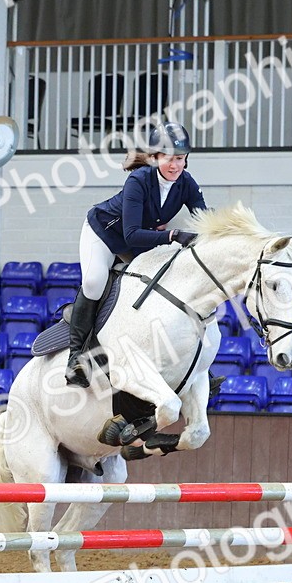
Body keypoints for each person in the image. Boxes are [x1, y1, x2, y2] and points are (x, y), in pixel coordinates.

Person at [65, 122, 208, 387]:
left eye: (180, 158)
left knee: (167, 280)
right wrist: (173, 236)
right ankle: (76, 358)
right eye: (168, 158)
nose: (174, 165)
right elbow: (131, 235)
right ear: (154, 157)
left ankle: (192, 364)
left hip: (140, 240)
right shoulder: (138, 180)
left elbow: (205, 219)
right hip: (105, 233)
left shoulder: (187, 183)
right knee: (95, 282)